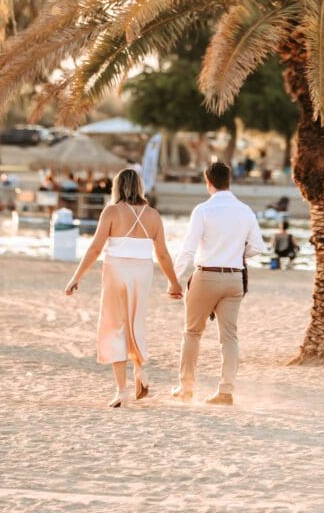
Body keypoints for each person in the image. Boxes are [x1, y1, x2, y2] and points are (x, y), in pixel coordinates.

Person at [64, 167, 183, 408]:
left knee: (114, 325)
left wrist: (76, 277)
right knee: (134, 322)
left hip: (116, 270)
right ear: (139, 187)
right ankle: (140, 371)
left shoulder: (111, 211)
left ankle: (121, 390)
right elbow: (162, 253)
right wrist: (174, 281)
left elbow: (96, 248)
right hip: (143, 272)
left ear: (117, 187)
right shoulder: (153, 215)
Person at [172, 161, 266, 405]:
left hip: (207, 276)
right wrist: (236, 251)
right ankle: (226, 390)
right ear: (229, 180)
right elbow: (258, 247)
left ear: (208, 181)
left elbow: (188, 249)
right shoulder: (245, 210)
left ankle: (186, 388)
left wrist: (174, 278)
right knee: (229, 336)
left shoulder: (203, 210)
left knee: (192, 332)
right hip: (234, 278)